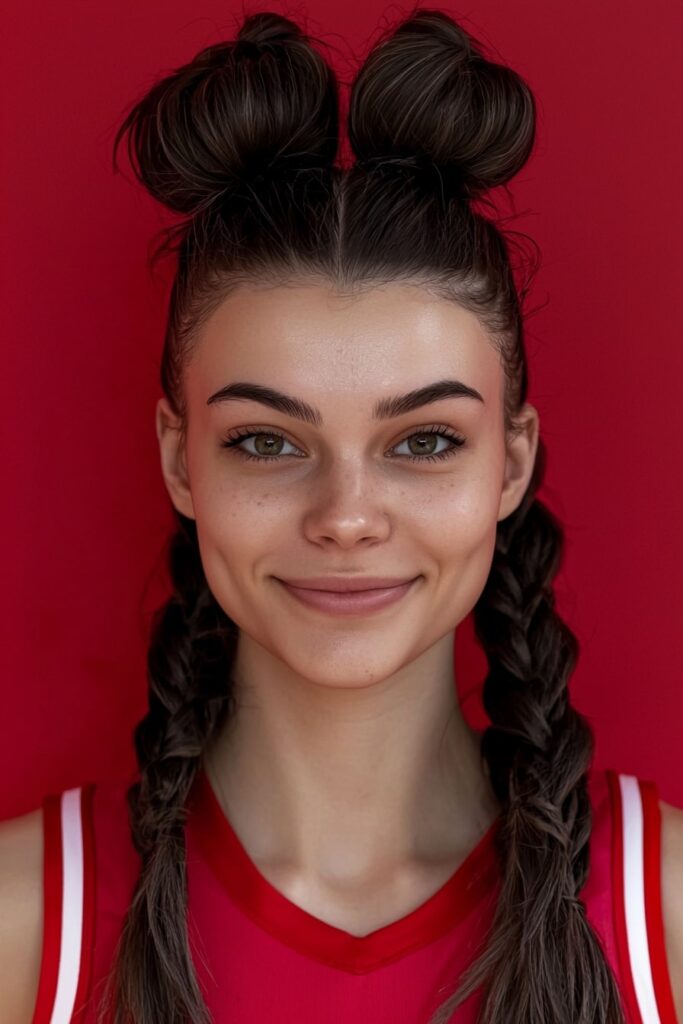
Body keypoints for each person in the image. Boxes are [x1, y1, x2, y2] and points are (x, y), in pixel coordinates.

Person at [1, 8, 682, 1024]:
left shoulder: (660, 916)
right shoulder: (24, 924)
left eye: (424, 441)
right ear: (177, 459)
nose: (346, 516)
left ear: (512, 461)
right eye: (266, 441)